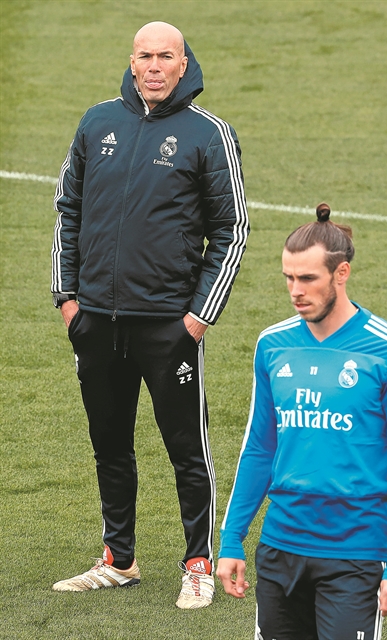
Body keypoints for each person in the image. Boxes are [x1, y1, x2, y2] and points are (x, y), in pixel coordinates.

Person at [50, 21, 249, 609]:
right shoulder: (96, 123)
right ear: (132, 62)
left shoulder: (210, 134)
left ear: (184, 64)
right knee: (109, 444)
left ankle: (198, 563)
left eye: (166, 56)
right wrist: (67, 300)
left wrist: (198, 318)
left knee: (188, 449)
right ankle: (119, 559)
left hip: (169, 326)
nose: (155, 66)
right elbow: (67, 210)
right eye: (146, 56)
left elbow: (232, 230)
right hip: (96, 321)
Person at [217, 204, 387, 639]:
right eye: (289, 278)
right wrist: (232, 538)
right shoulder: (272, 344)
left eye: (308, 278)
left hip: (355, 554)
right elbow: (259, 448)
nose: (296, 291)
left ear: (341, 273)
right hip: (280, 547)